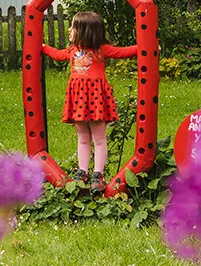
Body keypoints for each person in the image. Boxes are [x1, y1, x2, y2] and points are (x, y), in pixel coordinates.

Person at [41, 11, 135, 192]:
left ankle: (98, 175)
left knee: (99, 139)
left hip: (96, 100)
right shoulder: (72, 50)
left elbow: (123, 52)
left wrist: (147, 46)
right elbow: (58, 54)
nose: (69, 30)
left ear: (86, 32)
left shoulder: (101, 50)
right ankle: (82, 171)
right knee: (83, 138)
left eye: (73, 27)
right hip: (78, 101)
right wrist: (43, 46)